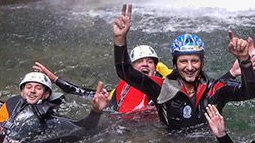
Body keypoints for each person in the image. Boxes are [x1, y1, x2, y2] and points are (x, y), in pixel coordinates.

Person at [113, 4, 255, 130]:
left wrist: (244, 60)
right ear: (174, 64)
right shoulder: (160, 88)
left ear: (202, 63)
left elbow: (249, 93)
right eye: (183, 61)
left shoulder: (215, 89)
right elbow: (125, 72)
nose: (189, 67)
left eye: (194, 61)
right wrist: (120, 39)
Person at [33, 44, 171, 116]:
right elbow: (83, 93)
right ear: (131, 68)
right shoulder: (121, 92)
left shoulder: (168, 86)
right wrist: (54, 79)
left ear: (155, 66)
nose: (145, 64)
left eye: (150, 62)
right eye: (140, 62)